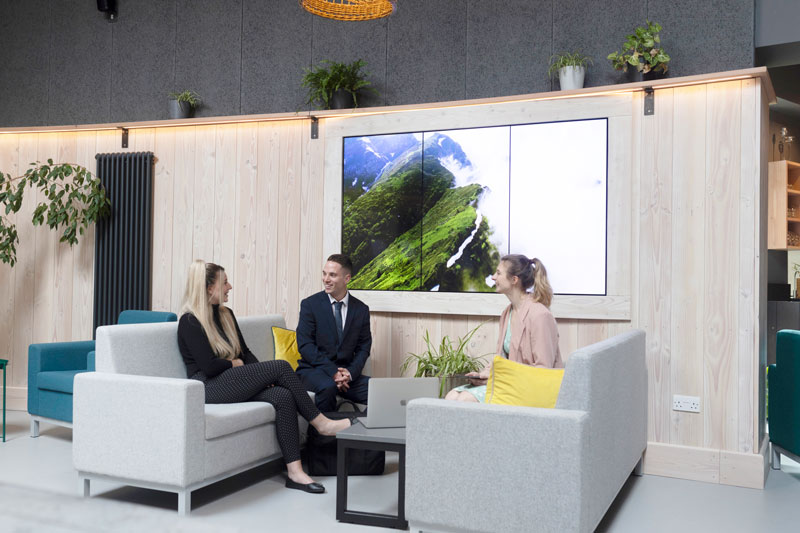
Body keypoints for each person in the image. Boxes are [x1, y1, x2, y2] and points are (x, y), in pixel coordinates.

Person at [177, 259, 351, 494]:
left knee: (282, 396)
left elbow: (245, 353)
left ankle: (295, 473)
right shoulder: (189, 321)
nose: (230, 287)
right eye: (225, 283)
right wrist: (236, 363)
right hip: (207, 387)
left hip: (230, 380)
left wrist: (260, 376)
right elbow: (209, 367)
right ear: (209, 288)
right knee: (281, 367)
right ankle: (322, 423)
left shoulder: (226, 314)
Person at [445, 254, 563, 402]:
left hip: (531, 390)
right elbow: (502, 360)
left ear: (514, 280)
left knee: (465, 399)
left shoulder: (540, 315)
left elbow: (544, 371)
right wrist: (484, 375)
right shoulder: (507, 313)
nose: (493, 277)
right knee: (452, 396)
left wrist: (500, 379)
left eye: (498, 273)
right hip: (508, 384)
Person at [296, 254, 371, 412]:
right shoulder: (310, 305)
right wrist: (333, 372)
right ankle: (323, 430)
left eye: (332, 275)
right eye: (324, 274)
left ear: (347, 278)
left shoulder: (361, 310)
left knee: (378, 390)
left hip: (345, 375)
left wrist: (350, 373)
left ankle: (359, 428)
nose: (326, 279)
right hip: (313, 371)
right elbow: (305, 345)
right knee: (328, 387)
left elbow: (364, 348)